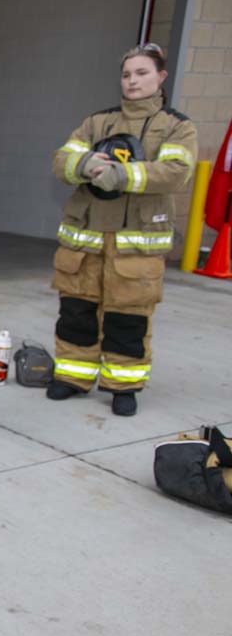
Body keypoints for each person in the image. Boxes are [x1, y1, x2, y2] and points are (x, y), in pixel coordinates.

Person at [47, 43, 196, 417]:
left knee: (128, 318)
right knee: (76, 313)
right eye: (127, 74)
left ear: (161, 77)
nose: (132, 80)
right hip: (85, 243)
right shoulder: (97, 122)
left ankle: (123, 387)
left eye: (142, 73)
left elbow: (175, 172)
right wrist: (84, 164)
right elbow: (61, 161)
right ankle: (72, 377)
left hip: (135, 249)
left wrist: (123, 174)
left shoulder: (177, 126)